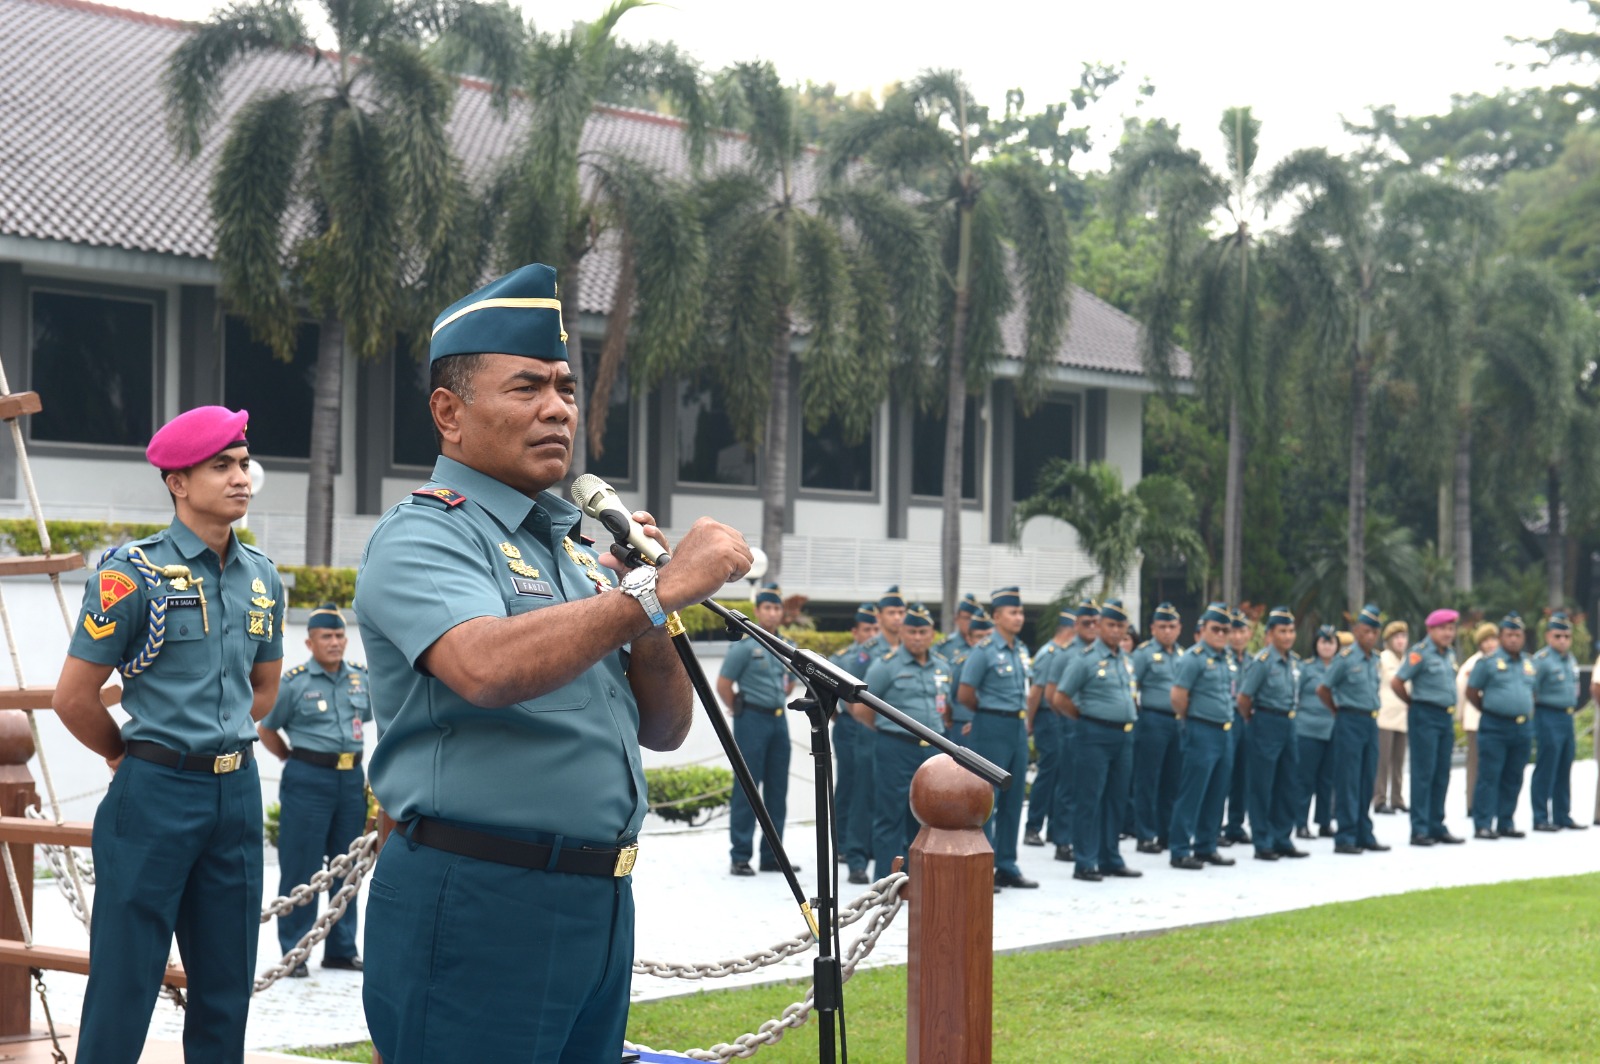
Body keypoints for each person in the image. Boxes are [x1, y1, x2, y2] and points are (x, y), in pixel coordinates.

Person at [353, 263, 753, 1062]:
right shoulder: (427, 534)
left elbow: (666, 728)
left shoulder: (571, 550)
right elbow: (484, 667)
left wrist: (648, 605)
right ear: (449, 413)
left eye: (566, 389)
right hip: (479, 897)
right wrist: (656, 590)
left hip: (596, 901)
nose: (557, 410)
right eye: (526, 387)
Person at [52, 405, 285, 1064]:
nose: (242, 478)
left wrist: (225, 737)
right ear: (178, 482)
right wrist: (126, 754)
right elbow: (73, 697)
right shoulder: (134, 574)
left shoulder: (262, 577)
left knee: (225, 990)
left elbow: (262, 690)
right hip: (152, 792)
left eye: (243, 464)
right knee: (125, 984)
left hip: (235, 796)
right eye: (222, 466)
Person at [257, 602, 371, 975]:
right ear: (310, 643)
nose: (336, 642)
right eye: (327, 636)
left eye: (340, 635)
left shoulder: (359, 678)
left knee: (347, 866)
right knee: (301, 867)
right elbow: (267, 729)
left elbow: (376, 715)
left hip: (350, 779)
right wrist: (290, 758)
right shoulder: (295, 682)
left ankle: (340, 948)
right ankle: (296, 951)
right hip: (308, 778)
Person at [859, 603, 950, 880]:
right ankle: (886, 882)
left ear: (932, 633)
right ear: (902, 633)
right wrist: (892, 732)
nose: (918, 637)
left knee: (926, 819)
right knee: (890, 816)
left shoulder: (942, 667)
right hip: (896, 748)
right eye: (912, 631)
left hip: (932, 752)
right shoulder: (885, 666)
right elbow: (862, 711)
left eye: (923, 631)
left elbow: (946, 708)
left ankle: (919, 880)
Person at [1055, 598, 1141, 881]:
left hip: (1123, 737)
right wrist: (1085, 718)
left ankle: (1110, 856)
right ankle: (1085, 861)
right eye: (1111, 624)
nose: (1116, 631)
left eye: (1121, 626)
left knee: (1116, 799)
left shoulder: (1126, 661)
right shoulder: (1086, 659)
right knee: (1089, 799)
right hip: (1093, 735)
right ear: (1100, 625)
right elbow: (1060, 697)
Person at [958, 586, 1037, 889]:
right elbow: (965, 693)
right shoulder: (984, 650)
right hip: (991, 725)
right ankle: (983, 866)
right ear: (996, 616)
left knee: (1014, 799)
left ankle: (1007, 864)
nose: (1019, 617)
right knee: (986, 799)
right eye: (1013, 612)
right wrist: (989, 713)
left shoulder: (1020, 650)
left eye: (1020, 612)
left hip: (1016, 728)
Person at [719, 583, 797, 876]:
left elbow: (788, 681)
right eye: (768, 607)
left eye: (777, 608)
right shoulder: (745, 646)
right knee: (748, 789)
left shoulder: (786, 645)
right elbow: (723, 685)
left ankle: (772, 856)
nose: (773, 613)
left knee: (778, 790)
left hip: (779, 721)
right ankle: (740, 855)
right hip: (751, 720)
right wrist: (737, 707)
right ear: (758, 611)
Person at [1167, 603, 1240, 870]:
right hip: (1201, 729)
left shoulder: (1227, 658)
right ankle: (1180, 848)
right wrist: (1192, 719)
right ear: (1203, 629)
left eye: (1225, 629)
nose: (1221, 634)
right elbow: (1177, 697)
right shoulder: (1193, 658)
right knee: (1192, 791)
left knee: (1217, 791)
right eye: (1216, 629)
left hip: (1224, 730)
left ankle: (1207, 845)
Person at [1237, 606, 1307, 860]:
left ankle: (1282, 837)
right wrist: (1253, 720)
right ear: (1270, 634)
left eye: (1291, 631)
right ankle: (1262, 839)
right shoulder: (1263, 662)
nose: (1288, 636)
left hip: (1288, 723)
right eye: (1282, 631)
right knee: (1262, 784)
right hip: (1265, 721)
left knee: (1287, 782)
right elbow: (1244, 698)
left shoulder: (1294, 662)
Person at [1320, 604, 1390, 856]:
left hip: (1370, 722)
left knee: (1366, 779)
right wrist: (1338, 711)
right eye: (1366, 630)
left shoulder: (1375, 660)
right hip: (1348, 719)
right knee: (1348, 780)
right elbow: (1323, 689)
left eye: (1375, 631)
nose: (1370, 636)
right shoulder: (1346, 658)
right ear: (1357, 630)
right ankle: (1346, 836)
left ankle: (1364, 832)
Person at [1392, 609, 1465, 846]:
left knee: (1442, 773)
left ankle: (1436, 824)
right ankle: (1420, 829)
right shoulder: (1419, 653)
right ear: (1430, 630)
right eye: (1443, 628)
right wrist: (1413, 703)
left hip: (1445, 717)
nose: (1448, 633)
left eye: (1451, 629)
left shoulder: (1449, 654)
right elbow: (1397, 682)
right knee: (1424, 773)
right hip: (1424, 714)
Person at [1465, 612, 1536, 840]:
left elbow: (1531, 692)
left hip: (1522, 728)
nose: (1514, 639)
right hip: (1495, 725)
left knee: (1514, 776)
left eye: (1517, 635)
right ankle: (1483, 824)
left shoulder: (1529, 663)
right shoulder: (1488, 662)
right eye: (1509, 635)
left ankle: (1506, 821)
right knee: (1489, 776)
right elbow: (1472, 691)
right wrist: (1491, 710)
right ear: (1501, 636)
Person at [829, 604, 880, 884]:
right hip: (850, 726)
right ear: (855, 631)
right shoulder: (847, 658)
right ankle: (842, 844)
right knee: (848, 785)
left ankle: (861, 841)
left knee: (867, 786)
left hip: (869, 727)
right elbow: (833, 699)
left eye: (875, 628)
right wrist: (841, 721)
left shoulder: (881, 655)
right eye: (867, 629)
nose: (872, 634)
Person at [1131, 603, 1184, 854]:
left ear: (1179, 628)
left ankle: (1166, 833)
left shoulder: (1184, 655)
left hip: (1178, 722)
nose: (1167, 631)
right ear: (1152, 628)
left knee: (1172, 781)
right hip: (1152, 720)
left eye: (1172, 626)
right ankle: (1145, 834)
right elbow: (1131, 687)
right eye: (1162, 626)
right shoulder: (1143, 653)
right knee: (1148, 780)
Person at [1023, 609, 1077, 848]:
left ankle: (1056, 829)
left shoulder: (1068, 653)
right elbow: (1036, 692)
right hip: (1047, 716)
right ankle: (1033, 826)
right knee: (1048, 771)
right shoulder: (1050, 653)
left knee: (1062, 772)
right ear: (1070, 630)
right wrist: (1030, 721)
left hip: (1062, 717)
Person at [1530, 613, 1586, 832]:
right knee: (1546, 766)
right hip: (1548, 714)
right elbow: (1531, 690)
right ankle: (1540, 816)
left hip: (1566, 716)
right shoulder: (1542, 660)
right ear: (1548, 636)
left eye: (1566, 636)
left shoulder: (1570, 658)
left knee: (1564, 765)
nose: (1563, 640)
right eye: (1558, 635)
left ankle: (1562, 814)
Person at [1294, 625, 1341, 840]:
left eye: (1331, 642)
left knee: (1328, 779)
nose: (1327, 646)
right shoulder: (1306, 668)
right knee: (1305, 778)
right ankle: (1301, 823)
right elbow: (1295, 695)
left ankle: (1324, 822)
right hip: (1308, 728)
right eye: (1323, 642)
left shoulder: (1341, 666)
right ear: (1316, 644)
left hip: (1333, 728)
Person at [1457, 622, 1498, 817]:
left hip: (1495, 719)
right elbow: (1462, 690)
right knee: (1474, 764)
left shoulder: (1499, 661)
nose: (1491, 644)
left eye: (1493, 639)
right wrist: (1460, 715)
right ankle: (1472, 804)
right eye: (1486, 641)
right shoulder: (1473, 664)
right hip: (1475, 718)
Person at [1221, 609, 1253, 846]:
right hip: (1227, 719)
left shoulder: (1253, 661)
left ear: (1249, 633)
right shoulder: (1222, 658)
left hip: (1247, 721)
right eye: (1233, 631)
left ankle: (1235, 824)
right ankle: (1212, 827)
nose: (1237, 636)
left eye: (1242, 631)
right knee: (1222, 775)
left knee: (1243, 774)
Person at [1374, 620, 1410, 814]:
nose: (1400, 641)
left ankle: (1397, 798)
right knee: (1383, 760)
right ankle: (1379, 799)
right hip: (1386, 715)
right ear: (1388, 641)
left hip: (1403, 715)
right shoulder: (1384, 658)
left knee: (1399, 760)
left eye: (1403, 636)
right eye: (1396, 637)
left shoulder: (1407, 659)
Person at [945, 611, 991, 747]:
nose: (984, 641)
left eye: (988, 635)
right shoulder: (961, 663)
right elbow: (949, 696)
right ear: (969, 640)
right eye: (979, 636)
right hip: (963, 723)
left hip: (991, 723)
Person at [865, 584, 907, 656]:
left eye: (901, 612)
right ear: (879, 617)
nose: (897, 617)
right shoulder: (867, 650)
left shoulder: (911, 648)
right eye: (891, 613)